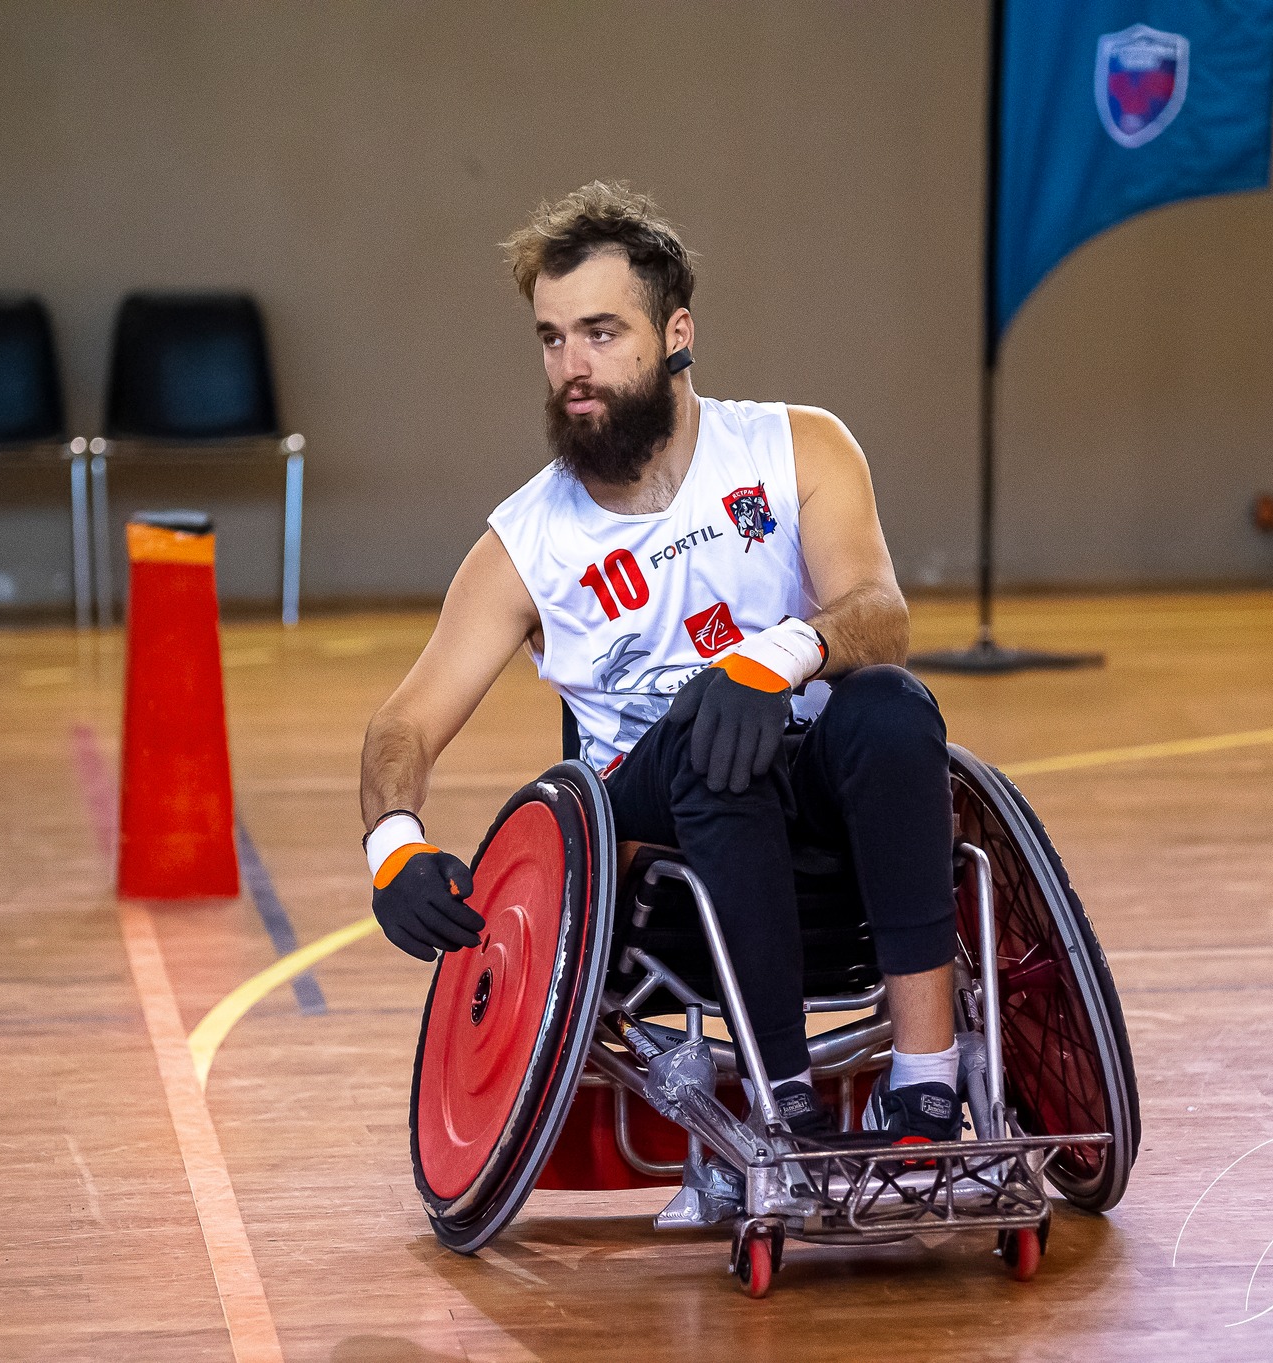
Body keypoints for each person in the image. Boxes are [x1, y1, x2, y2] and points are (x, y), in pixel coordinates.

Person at [359, 182, 961, 1141]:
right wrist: (392, 842)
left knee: (890, 705)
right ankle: (783, 1101)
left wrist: (774, 661)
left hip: (809, 782)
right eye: (553, 338)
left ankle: (927, 1081)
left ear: (676, 333)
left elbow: (880, 614)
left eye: (601, 333)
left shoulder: (797, 448)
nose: (572, 366)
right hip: (646, 836)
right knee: (708, 742)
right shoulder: (525, 543)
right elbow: (404, 722)